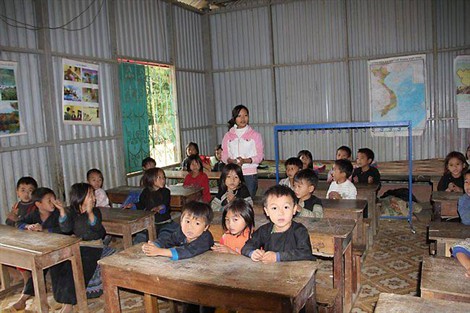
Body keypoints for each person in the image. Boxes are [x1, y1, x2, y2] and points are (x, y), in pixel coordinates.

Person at [58, 183, 114, 302]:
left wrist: (89, 213)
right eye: (90, 195)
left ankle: (72, 300)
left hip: (94, 246)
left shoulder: (95, 211)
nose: (94, 198)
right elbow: (66, 229)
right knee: (66, 267)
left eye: (94, 195)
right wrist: (62, 212)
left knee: (82, 267)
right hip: (79, 245)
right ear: (80, 197)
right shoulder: (72, 212)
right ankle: (64, 299)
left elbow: (97, 228)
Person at [11, 188, 62, 311]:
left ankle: (60, 299)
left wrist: (44, 230)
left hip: (58, 249)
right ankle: (24, 298)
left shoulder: (58, 214)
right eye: (49, 200)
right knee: (36, 270)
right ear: (38, 204)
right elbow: (19, 223)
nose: (53, 203)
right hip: (41, 250)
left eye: (54, 199)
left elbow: (64, 229)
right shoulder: (34, 215)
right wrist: (28, 226)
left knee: (58, 272)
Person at [241, 185, 315, 263]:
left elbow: (306, 253)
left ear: (294, 209)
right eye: (274, 208)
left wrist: (278, 256)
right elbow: (246, 247)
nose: (280, 213)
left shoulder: (299, 230)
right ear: (267, 211)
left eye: (286, 207)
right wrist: (253, 253)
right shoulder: (264, 230)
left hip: (294, 272)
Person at [142, 201, 214, 260]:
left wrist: (159, 251)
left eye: (197, 223)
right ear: (181, 221)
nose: (190, 227)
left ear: (206, 227)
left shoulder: (205, 238)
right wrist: (154, 245)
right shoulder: (181, 232)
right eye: (187, 221)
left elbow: (187, 251)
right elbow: (168, 240)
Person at [221, 105, 264, 198]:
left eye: (245, 115)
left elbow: (260, 156)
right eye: (239, 116)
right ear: (235, 118)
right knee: (232, 201)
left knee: (247, 202)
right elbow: (223, 155)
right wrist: (229, 161)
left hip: (249, 175)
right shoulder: (228, 136)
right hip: (233, 174)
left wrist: (245, 161)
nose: (243, 119)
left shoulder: (255, 135)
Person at [130, 168, 178, 242]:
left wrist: (160, 207)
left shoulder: (166, 192)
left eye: (163, 177)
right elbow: (141, 204)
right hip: (149, 224)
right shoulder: (145, 192)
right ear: (150, 179)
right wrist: (133, 205)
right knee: (139, 239)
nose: (163, 180)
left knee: (164, 239)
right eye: (159, 178)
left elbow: (165, 204)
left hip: (165, 223)